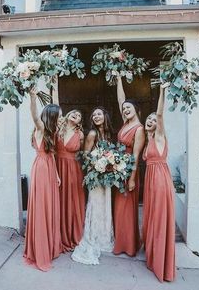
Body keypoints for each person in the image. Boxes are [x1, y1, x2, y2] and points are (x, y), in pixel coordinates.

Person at [24, 87, 62, 271]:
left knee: (49, 206)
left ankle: (50, 244)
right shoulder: (40, 127)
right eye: (59, 116)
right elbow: (34, 116)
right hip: (40, 168)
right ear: (52, 117)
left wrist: (56, 174)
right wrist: (32, 97)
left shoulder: (51, 132)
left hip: (49, 168)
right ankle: (40, 249)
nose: (61, 119)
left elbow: (52, 154)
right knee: (42, 206)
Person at [71, 107, 114, 265]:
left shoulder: (107, 134)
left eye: (99, 114)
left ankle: (104, 235)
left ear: (105, 116)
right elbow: (85, 155)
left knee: (105, 205)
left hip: (106, 175)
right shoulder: (92, 134)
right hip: (95, 176)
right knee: (95, 205)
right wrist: (98, 166)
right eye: (94, 114)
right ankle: (94, 236)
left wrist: (110, 164)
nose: (96, 116)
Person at [142, 82, 175, 282]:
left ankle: (162, 264)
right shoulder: (149, 139)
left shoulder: (160, 136)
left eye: (153, 120)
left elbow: (161, 114)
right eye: (149, 118)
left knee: (160, 218)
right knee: (153, 217)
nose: (151, 120)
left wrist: (162, 90)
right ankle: (153, 256)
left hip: (161, 180)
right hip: (150, 181)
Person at [113, 74, 145, 256]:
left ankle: (129, 246)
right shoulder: (125, 123)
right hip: (118, 169)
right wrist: (118, 78)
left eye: (128, 108)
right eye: (124, 108)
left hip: (129, 171)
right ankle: (121, 242)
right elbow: (120, 99)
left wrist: (132, 178)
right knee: (119, 207)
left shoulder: (139, 129)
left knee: (127, 208)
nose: (125, 110)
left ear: (136, 109)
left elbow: (136, 155)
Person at [52, 81, 85, 252]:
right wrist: (56, 82)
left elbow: (84, 153)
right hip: (58, 167)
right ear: (67, 115)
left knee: (72, 200)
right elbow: (56, 105)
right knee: (58, 198)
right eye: (74, 113)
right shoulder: (59, 127)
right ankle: (58, 233)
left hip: (73, 169)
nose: (76, 115)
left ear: (79, 122)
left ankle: (73, 233)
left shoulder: (80, 134)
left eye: (79, 116)